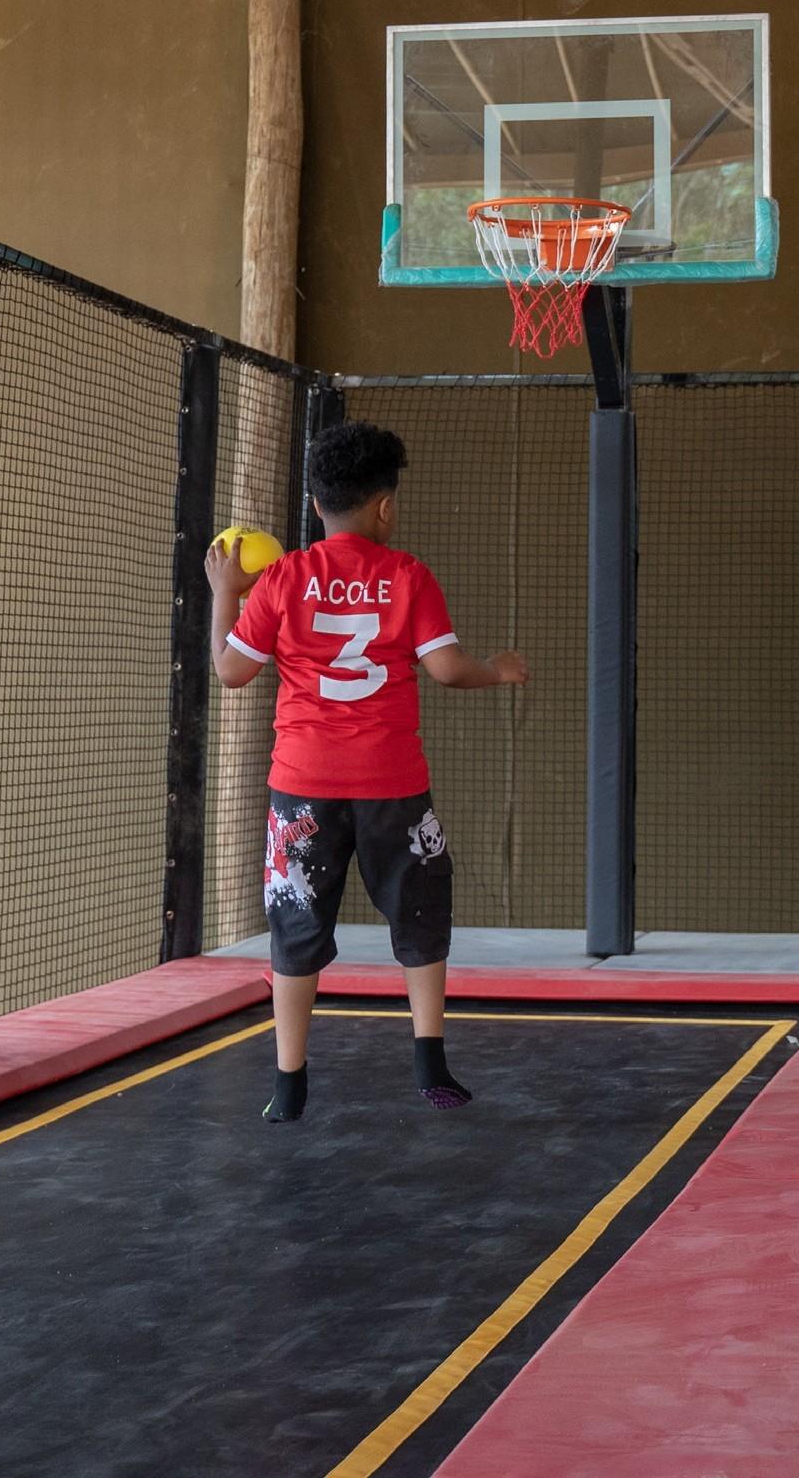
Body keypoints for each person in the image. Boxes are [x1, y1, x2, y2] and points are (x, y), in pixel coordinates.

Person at [207, 420, 528, 1121]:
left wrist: (226, 593)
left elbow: (231, 671)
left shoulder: (285, 577)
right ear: (385, 506)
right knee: (419, 913)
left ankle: (288, 1084)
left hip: (304, 785)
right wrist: (497, 672)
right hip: (393, 785)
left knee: (295, 926)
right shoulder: (407, 574)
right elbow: (445, 669)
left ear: (317, 504)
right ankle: (430, 1064)